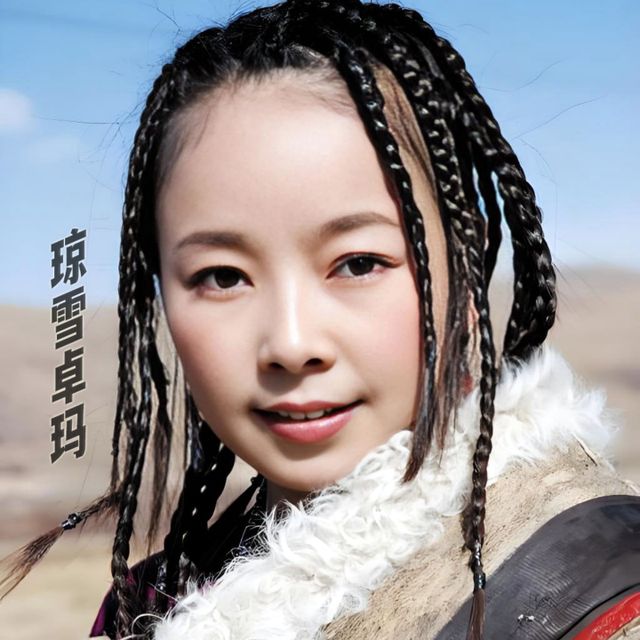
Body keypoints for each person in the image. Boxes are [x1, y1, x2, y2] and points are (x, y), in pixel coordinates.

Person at [2, 1, 639, 638]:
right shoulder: (147, 610)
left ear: (465, 285)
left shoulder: (597, 588)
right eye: (222, 277)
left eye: (359, 263)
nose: (291, 342)